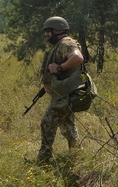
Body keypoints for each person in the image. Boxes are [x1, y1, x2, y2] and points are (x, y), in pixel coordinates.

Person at [36, 16, 85, 163]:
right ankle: (77, 155)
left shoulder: (66, 43)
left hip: (64, 95)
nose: (46, 35)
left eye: (48, 31)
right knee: (67, 125)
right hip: (62, 93)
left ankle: (44, 158)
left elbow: (78, 58)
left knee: (47, 121)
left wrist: (59, 68)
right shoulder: (60, 45)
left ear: (58, 30)